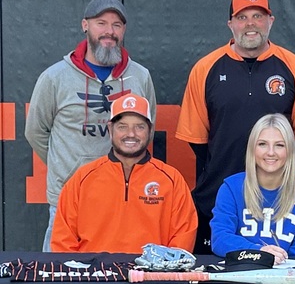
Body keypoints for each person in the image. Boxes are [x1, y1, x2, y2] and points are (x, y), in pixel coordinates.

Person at [176, 0, 295, 251]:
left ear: (271, 21)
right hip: (218, 197)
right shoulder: (205, 68)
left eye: (258, 16)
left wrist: (270, 169)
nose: (250, 24)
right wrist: (227, 172)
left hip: (279, 204)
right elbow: (198, 141)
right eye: (242, 17)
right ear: (230, 24)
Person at [25, 0, 157, 250]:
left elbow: (146, 130)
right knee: (59, 269)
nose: (109, 31)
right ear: (85, 25)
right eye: (101, 23)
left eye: (116, 25)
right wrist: (68, 167)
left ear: (124, 30)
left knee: (120, 269)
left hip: (122, 198)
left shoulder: (140, 76)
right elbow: (35, 131)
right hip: (69, 197)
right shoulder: (55, 77)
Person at [50, 94, 196, 253]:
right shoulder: (83, 178)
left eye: (139, 127)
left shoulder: (171, 180)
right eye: (122, 126)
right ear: (110, 129)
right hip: (96, 269)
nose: (131, 134)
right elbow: (63, 239)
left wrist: (160, 267)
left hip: (151, 269)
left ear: (150, 130)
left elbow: (183, 236)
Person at [210, 114, 295, 263]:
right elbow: (220, 239)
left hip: (286, 274)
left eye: (279, 145)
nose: (270, 152)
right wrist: (259, 253)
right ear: (252, 148)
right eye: (262, 144)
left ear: (290, 150)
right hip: (241, 272)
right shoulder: (231, 188)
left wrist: (277, 263)